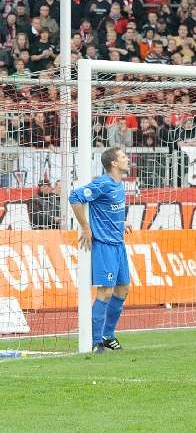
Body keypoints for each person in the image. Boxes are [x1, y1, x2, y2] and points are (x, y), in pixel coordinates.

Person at [68, 147, 133, 353]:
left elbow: (109, 211)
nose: (127, 159)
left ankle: (107, 334)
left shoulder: (120, 184)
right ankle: (95, 341)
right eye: (123, 157)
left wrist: (121, 223)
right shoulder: (103, 183)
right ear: (113, 163)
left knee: (123, 288)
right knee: (104, 291)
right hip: (104, 245)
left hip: (119, 244)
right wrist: (86, 227)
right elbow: (75, 197)